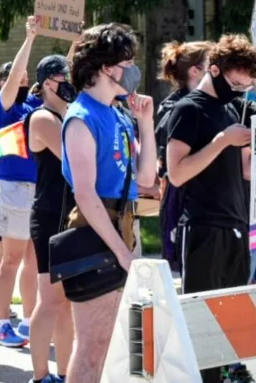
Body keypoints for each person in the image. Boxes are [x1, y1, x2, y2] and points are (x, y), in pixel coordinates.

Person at [165, 35, 256, 383]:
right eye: (236, 84)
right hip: (203, 227)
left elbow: (247, 167)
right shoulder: (189, 109)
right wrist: (221, 141)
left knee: (229, 321)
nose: (241, 91)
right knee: (201, 321)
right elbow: (177, 174)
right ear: (214, 70)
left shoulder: (232, 109)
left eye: (246, 86)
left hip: (236, 224)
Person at [60, 24, 157, 383]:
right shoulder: (81, 117)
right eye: (126, 62)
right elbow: (85, 195)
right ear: (105, 68)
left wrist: (146, 123)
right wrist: (121, 252)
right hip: (96, 232)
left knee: (117, 345)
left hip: (124, 227)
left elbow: (146, 178)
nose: (132, 69)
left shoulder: (118, 114)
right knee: (93, 347)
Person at [0, 19, 42, 346]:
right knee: (11, 259)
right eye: (14, 75)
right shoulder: (3, 108)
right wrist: (30, 38)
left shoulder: (35, 104)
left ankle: (29, 320)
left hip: (39, 191)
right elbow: (14, 76)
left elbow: (61, 77)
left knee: (34, 261)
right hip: (14, 190)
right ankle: (2, 323)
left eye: (24, 74)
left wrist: (76, 44)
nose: (22, 76)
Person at [27, 55, 77, 383]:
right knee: (49, 300)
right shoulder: (42, 118)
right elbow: (73, 158)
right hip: (48, 215)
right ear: (47, 83)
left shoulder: (69, 115)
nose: (70, 84)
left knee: (66, 301)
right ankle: (40, 375)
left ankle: (64, 372)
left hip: (68, 214)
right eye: (64, 78)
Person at [154, 41, 211, 273]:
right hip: (186, 198)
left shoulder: (216, 104)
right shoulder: (176, 108)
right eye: (213, 63)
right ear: (195, 71)